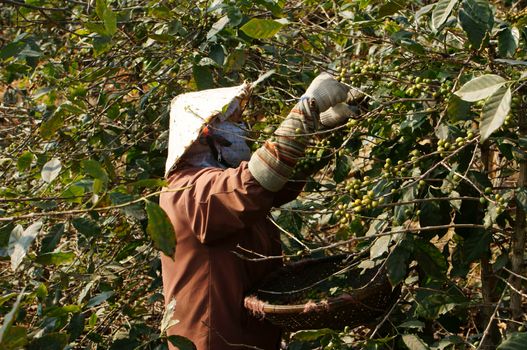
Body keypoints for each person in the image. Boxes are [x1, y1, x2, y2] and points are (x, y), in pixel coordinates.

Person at [160, 73, 359, 349]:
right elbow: (255, 183)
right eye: (236, 122)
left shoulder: (215, 180)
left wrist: (323, 126)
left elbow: (278, 184)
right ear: (209, 134)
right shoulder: (190, 191)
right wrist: (307, 107)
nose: (244, 129)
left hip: (246, 337)